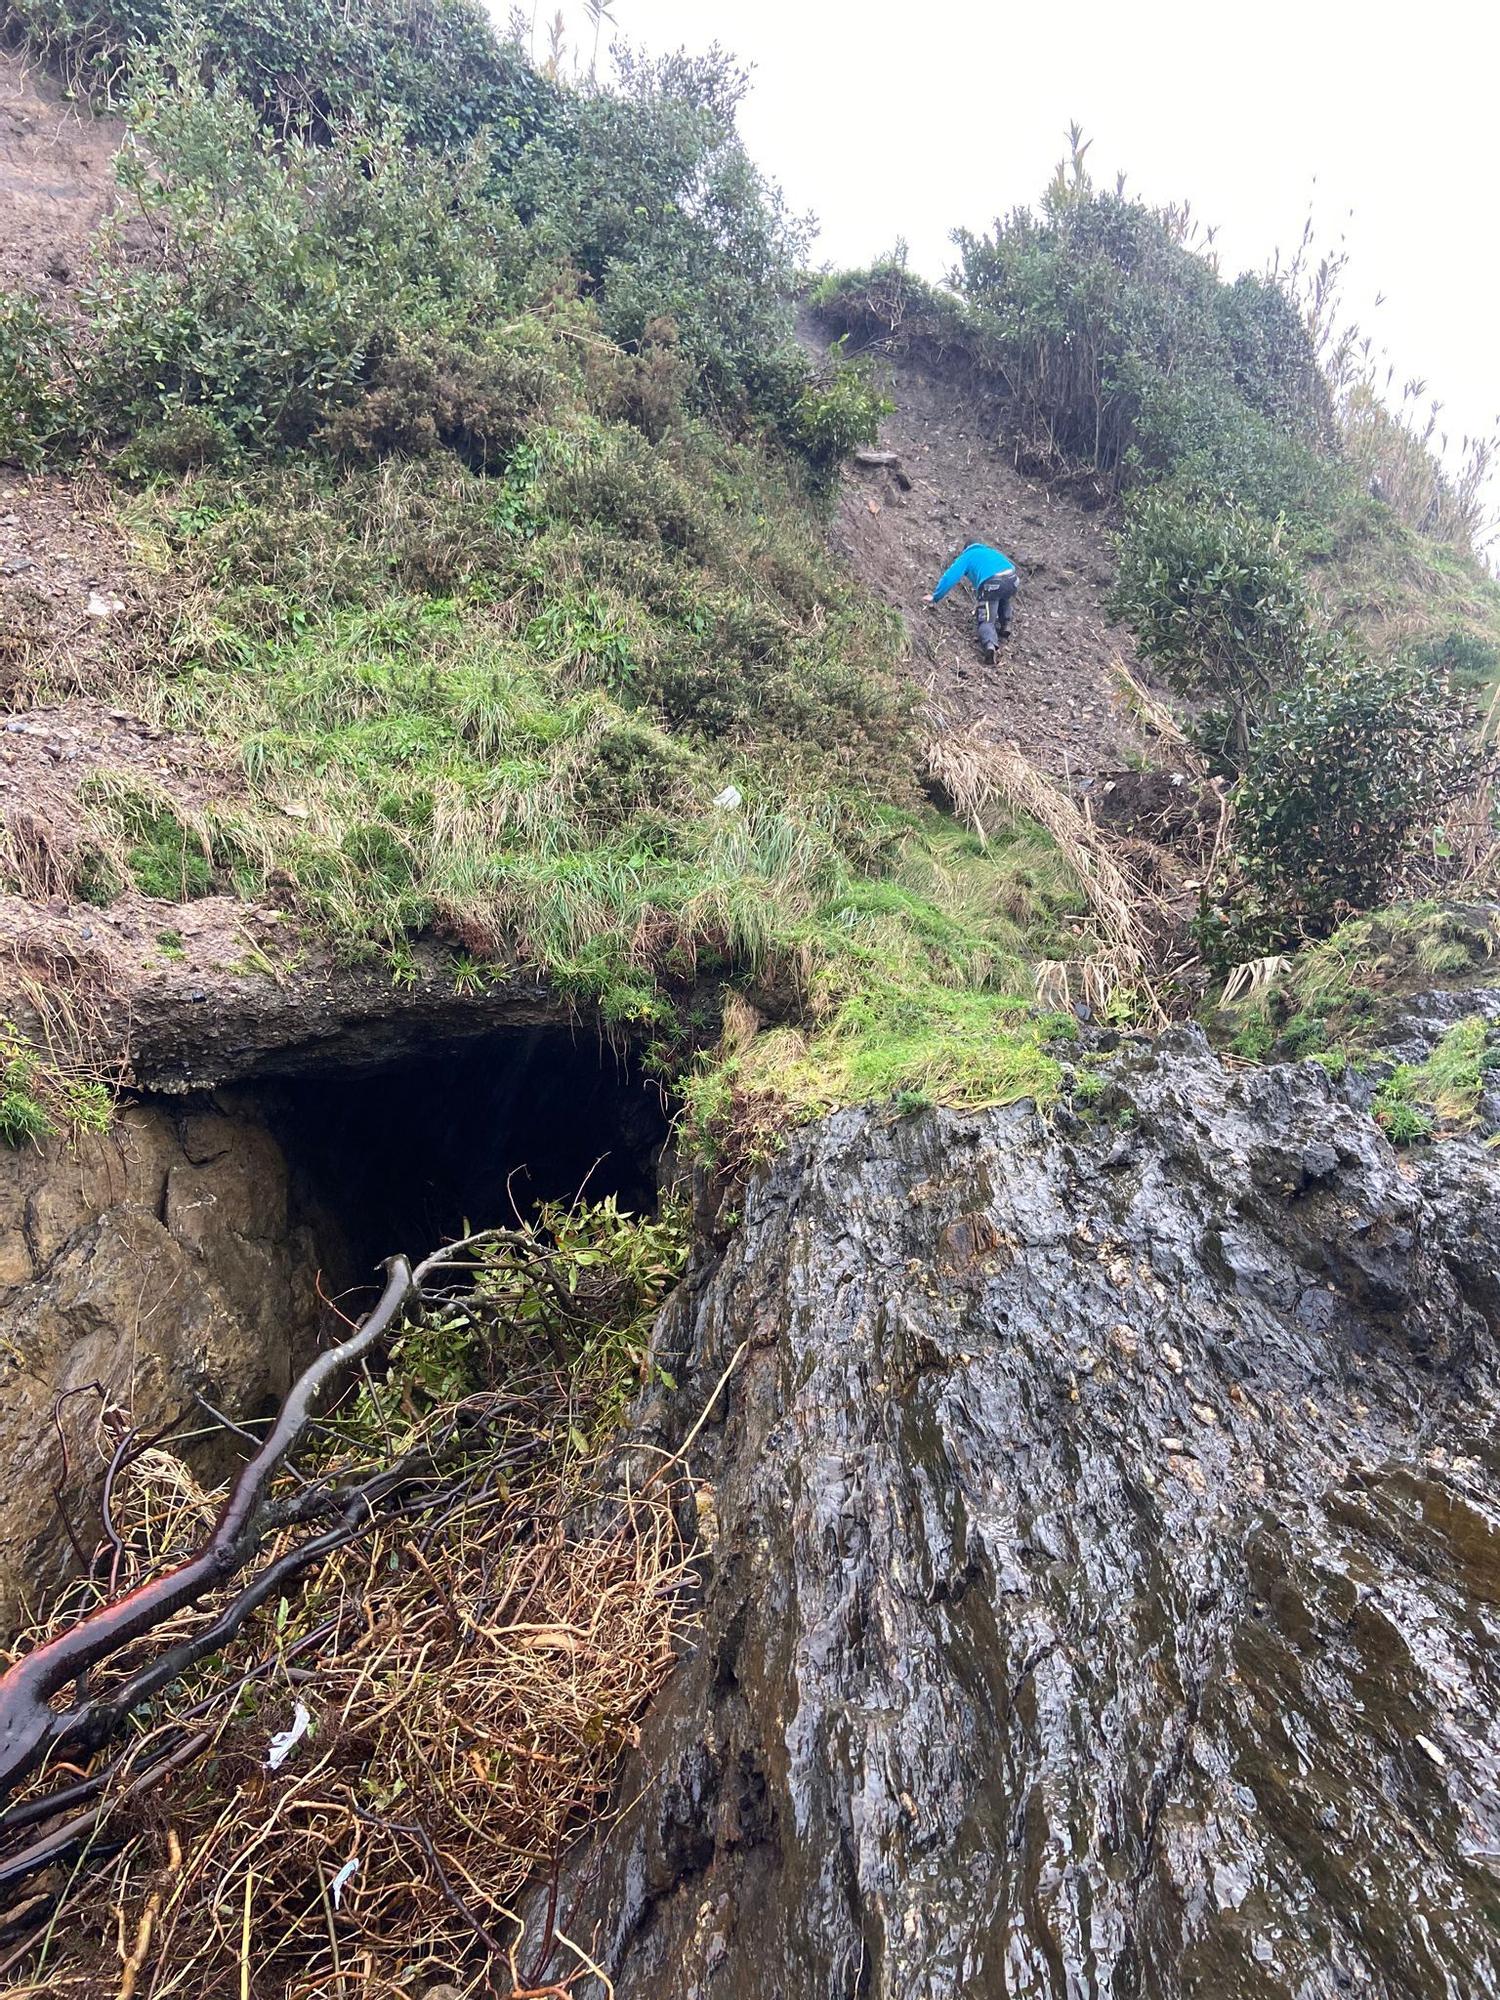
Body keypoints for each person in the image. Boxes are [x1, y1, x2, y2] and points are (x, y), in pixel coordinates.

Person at [925, 541, 1018, 662]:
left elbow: (950, 577)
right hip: (1012, 578)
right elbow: (1007, 568)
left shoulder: (968, 555)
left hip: (992, 583)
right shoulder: (990, 551)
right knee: (1002, 594)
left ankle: (990, 645)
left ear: (966, 548)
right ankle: (1006, 624)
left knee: (986, 619)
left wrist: (935, 596)